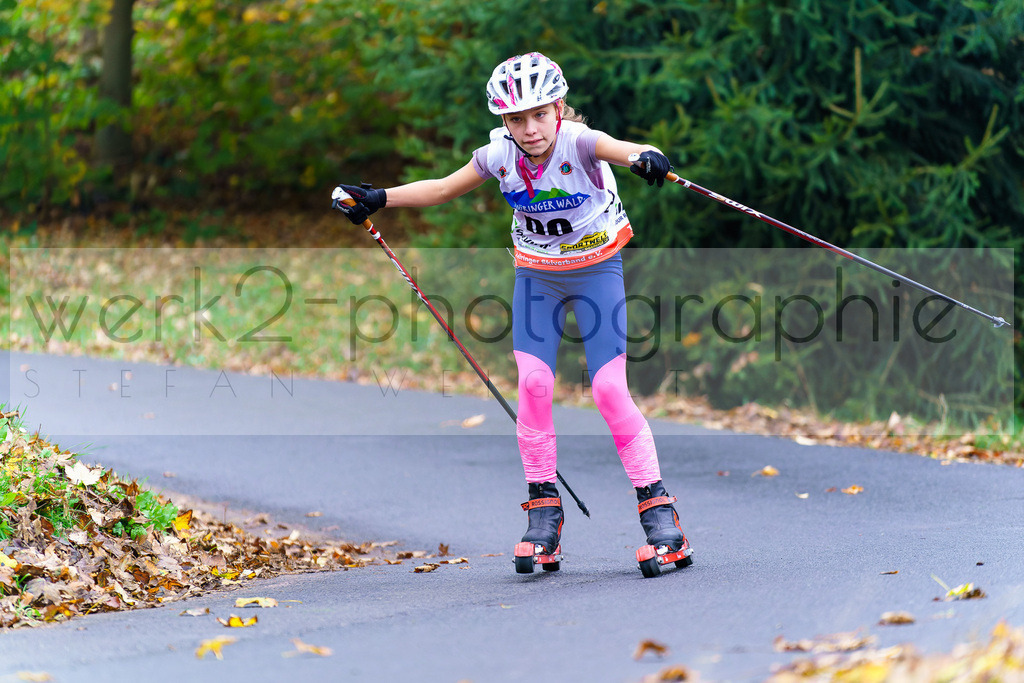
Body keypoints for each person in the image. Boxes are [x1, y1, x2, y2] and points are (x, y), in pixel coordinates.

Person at [334, 52, 692, 573]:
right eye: (516, 119)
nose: (530, 129)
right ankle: (544, 516)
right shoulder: (497, 156)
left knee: (611, 390)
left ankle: (661, 517)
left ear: (559, 109)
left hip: (597, 273)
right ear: (504, 121)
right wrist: (379, 197)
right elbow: (440, 188)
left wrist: (648, 156)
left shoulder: (580, 143)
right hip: (537, 279)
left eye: (540, 115)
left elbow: (625, 148)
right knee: (534, 386)